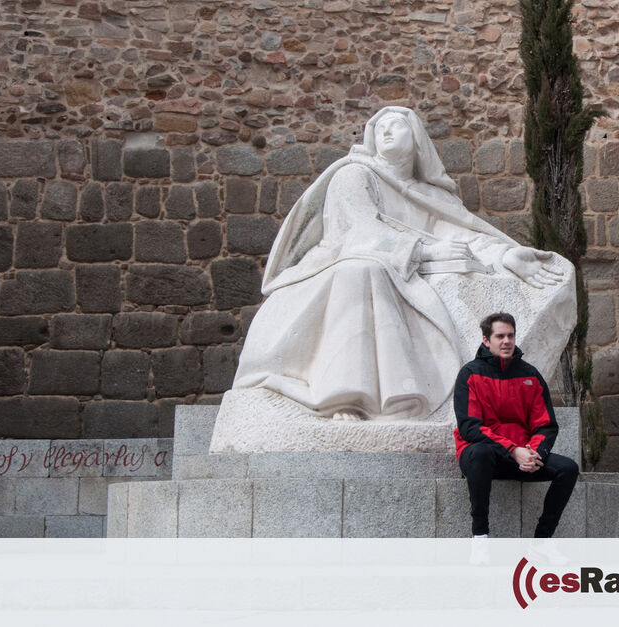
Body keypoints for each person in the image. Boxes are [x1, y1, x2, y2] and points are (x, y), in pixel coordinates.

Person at [229, 106, 571, 426]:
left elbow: (461, 235)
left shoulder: (431, 196)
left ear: (417, 139)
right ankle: (343, 398)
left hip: (399, 270)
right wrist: (428, 254)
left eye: (397, 126)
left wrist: (505, 256)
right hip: (338, 263)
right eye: (380, 128)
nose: (387, 132)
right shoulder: (354, 175)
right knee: (363, 270)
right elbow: (361, 231)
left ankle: (399, 399)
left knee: (375, 272)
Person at [454, 312, 579, 562]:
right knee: (480, 452)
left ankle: (541, 543)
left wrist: (534, 453)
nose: (506, 341)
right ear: (486, 341)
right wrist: (513, 450)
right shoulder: (470, 374)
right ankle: (479, 537)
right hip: (483, 458)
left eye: (510, 335)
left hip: (521, 457)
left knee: (568, 468)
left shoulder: (530, 376)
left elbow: (546, 425)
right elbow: (470, 427)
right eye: (500, 336)